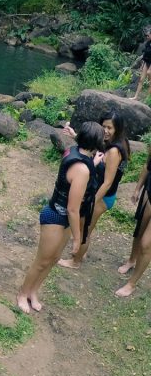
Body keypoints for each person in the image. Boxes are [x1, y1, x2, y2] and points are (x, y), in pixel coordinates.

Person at [16, 121, 104, 313]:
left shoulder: (76, 152)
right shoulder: (81, 170)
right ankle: (23, 293)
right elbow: (73, 209)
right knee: (42, 261)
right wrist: (78, 238)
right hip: (56, 216)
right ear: (95, 142)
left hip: (63, 218)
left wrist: (93, 160)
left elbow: (83, 158)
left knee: (54, 258)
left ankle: (33, 292)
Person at [58, 112, 129, 269]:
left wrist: (92, 201)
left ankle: (75, 261)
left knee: (84, 230)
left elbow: (108, 182)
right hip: (101, 195)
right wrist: (75, 135)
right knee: (87, 228)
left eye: (109, 127)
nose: (105, 131)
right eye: (103, 126)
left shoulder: (113, 151)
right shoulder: (112, 142)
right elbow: (93, 146)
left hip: (102, 197)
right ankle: (82, 253)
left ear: (117, 128)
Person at [116, 150, 151, 297]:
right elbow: (148, 166)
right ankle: (131, 260)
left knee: (146, 244)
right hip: (149, 193)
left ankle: (132, 284)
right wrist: (137, 189)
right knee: (139, 231)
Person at [131, 27, 151, 100]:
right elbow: (145, 55)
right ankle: (136, 96)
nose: (147, 37)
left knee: (149, 74)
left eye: (148, 35)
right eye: (146, 36)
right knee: (141, 79)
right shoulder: (148, 43)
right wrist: (142, 65)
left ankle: (148, 98)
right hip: (147, 61)